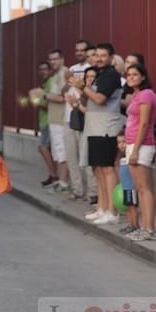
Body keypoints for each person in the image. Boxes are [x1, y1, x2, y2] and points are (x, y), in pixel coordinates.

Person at [69, 43, 123, 225]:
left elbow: (100, 99)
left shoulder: (111, 75)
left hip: (106, 128)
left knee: (107, 169)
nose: (98, 58)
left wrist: (83, 87)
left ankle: (112, 211)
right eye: (96, 55)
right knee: (97, 170)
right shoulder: (98, 75)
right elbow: (90, 98)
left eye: (103, 55)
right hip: (94, 127)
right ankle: (102, 207)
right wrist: (81, 89)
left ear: (111, 57)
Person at [123, 63, 156, 241]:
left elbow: (144, 123)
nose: (131, 77)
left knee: (144, 188)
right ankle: (144, 227)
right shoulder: (137, 94)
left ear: (143, 77)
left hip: (142, 146)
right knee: (139, 188)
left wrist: (135, 150)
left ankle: (149, 229)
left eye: (135, 74)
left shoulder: (146, 94)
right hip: (132, 144)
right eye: (128, 74)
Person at [63, 40, 93, 200]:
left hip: (83, 116)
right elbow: (64, 90)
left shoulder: (92, 71)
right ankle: (77, 190)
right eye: (77, 50)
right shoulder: (71, 69)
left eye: (83, 50)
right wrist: (67, 78)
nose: (79, 53)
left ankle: (91, 192)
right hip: (69, 117)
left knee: (85, 158)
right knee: (71, 157)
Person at [29, 61, 57, 187]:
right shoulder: (45, 83)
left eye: (46, 69)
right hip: (44, 120)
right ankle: (52, 175)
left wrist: (35, 100)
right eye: (41, 69)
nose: (43, 72)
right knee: (48, 148)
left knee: (43, 147)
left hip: (49, 120)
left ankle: (54, 175)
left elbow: (48, 104)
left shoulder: (51, 82)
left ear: (50, 70)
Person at [45, 49, 70, 193]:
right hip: (54, 119)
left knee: (62, 152)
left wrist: (45, 96)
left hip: (61, 119)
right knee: (57, 152)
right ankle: (60, 181)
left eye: (55, 59)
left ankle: (64, 182)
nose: (52, 62)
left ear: (62, 59)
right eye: (51, 59)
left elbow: (63, 97)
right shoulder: (55, 75)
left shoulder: (64, 73)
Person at [117, 133, 139, 234]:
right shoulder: (121, 159)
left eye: (124, 142)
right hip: (125, 188)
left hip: (131, 188)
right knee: (128, 207)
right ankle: (130, 225)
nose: (121, 145)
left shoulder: (130, 158)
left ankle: (135, 226)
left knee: (132, 206)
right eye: (119, 142)